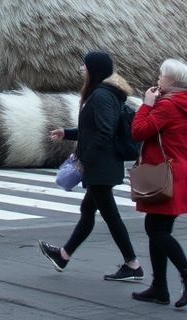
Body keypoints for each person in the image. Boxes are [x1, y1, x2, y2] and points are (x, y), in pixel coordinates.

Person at [40, 51, 143, 281]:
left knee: (110, 215)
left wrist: (85, 161)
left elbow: (105, 132)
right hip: (101, 166)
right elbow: (93, 130)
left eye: (84, 65)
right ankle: (63, 256)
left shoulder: (101, 96)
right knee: (89, 211)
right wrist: (66, 133)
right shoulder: (101, 94)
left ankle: (133, 264)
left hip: (101, 167)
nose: (81, 69)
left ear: (94, 68)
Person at [129, 58, 187, 308]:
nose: (158, 79)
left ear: (172, 81)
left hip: (167, 176)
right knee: (158, 229)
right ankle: (159, 287)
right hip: (183, 175)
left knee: (156, 230)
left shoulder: (167, 107)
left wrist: (146, 105)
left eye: (161, 76)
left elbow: (139, 131)